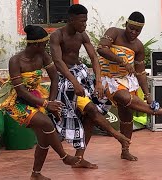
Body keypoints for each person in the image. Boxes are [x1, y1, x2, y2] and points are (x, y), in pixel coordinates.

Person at [0, 25, 80, 180]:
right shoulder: (15, 61)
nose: (46, 47)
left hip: (38, 96)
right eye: (44, 44)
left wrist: (51, 101)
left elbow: (55, 78)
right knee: (46, 124)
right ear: (36, 44)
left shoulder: (43, 56)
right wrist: (46, 105)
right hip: (18, 102)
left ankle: (36, 174)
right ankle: (64, 157)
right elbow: (21, 92)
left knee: (44, 139)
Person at [49, 4, 131, 169]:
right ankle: (117, 135)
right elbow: (58, 62)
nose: (85, 24)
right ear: (71, 20)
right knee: (91, 110)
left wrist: (99, 81)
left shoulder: (82, 34)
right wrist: (74, 82)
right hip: (65, 80)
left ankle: (79, 158)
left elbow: (94, 57)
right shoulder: (57, 36)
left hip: (81, 75)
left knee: (91, 117)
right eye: (82, 21)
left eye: (86, 21)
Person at [97, 11, 162, 161]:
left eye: (137, 30)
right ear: (126, 24)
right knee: (123, 96)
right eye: (131, 28)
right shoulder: (114, 32)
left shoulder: (139, 46)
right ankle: (156, 112)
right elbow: (101, 48)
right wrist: (123, 62)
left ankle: (125, 150)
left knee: (127, 117)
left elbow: (140, 73)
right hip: (107, 79)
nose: (133, 32)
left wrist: (148, 96)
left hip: (126, 80)